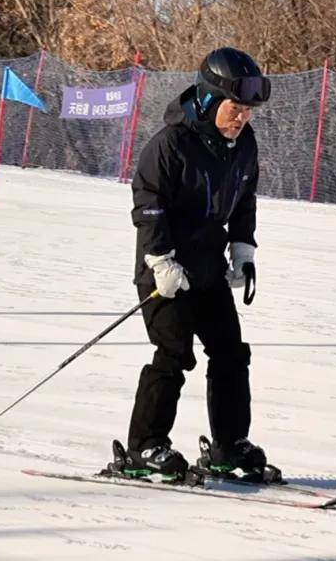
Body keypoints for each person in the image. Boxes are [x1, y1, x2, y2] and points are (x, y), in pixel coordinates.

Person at [124, 47, 271, 478]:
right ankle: (145, 446)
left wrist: (242, 249)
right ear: (208, 100)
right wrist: (160, 260)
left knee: (230, 353)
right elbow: (148, 205)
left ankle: (229, 445)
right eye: (234, 108)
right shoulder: (170, 144)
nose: (241, 118)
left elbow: (244, 198)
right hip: (165, 269)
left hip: (208, 268)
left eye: (247, 110)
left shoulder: (243, 144)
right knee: (173, 353)